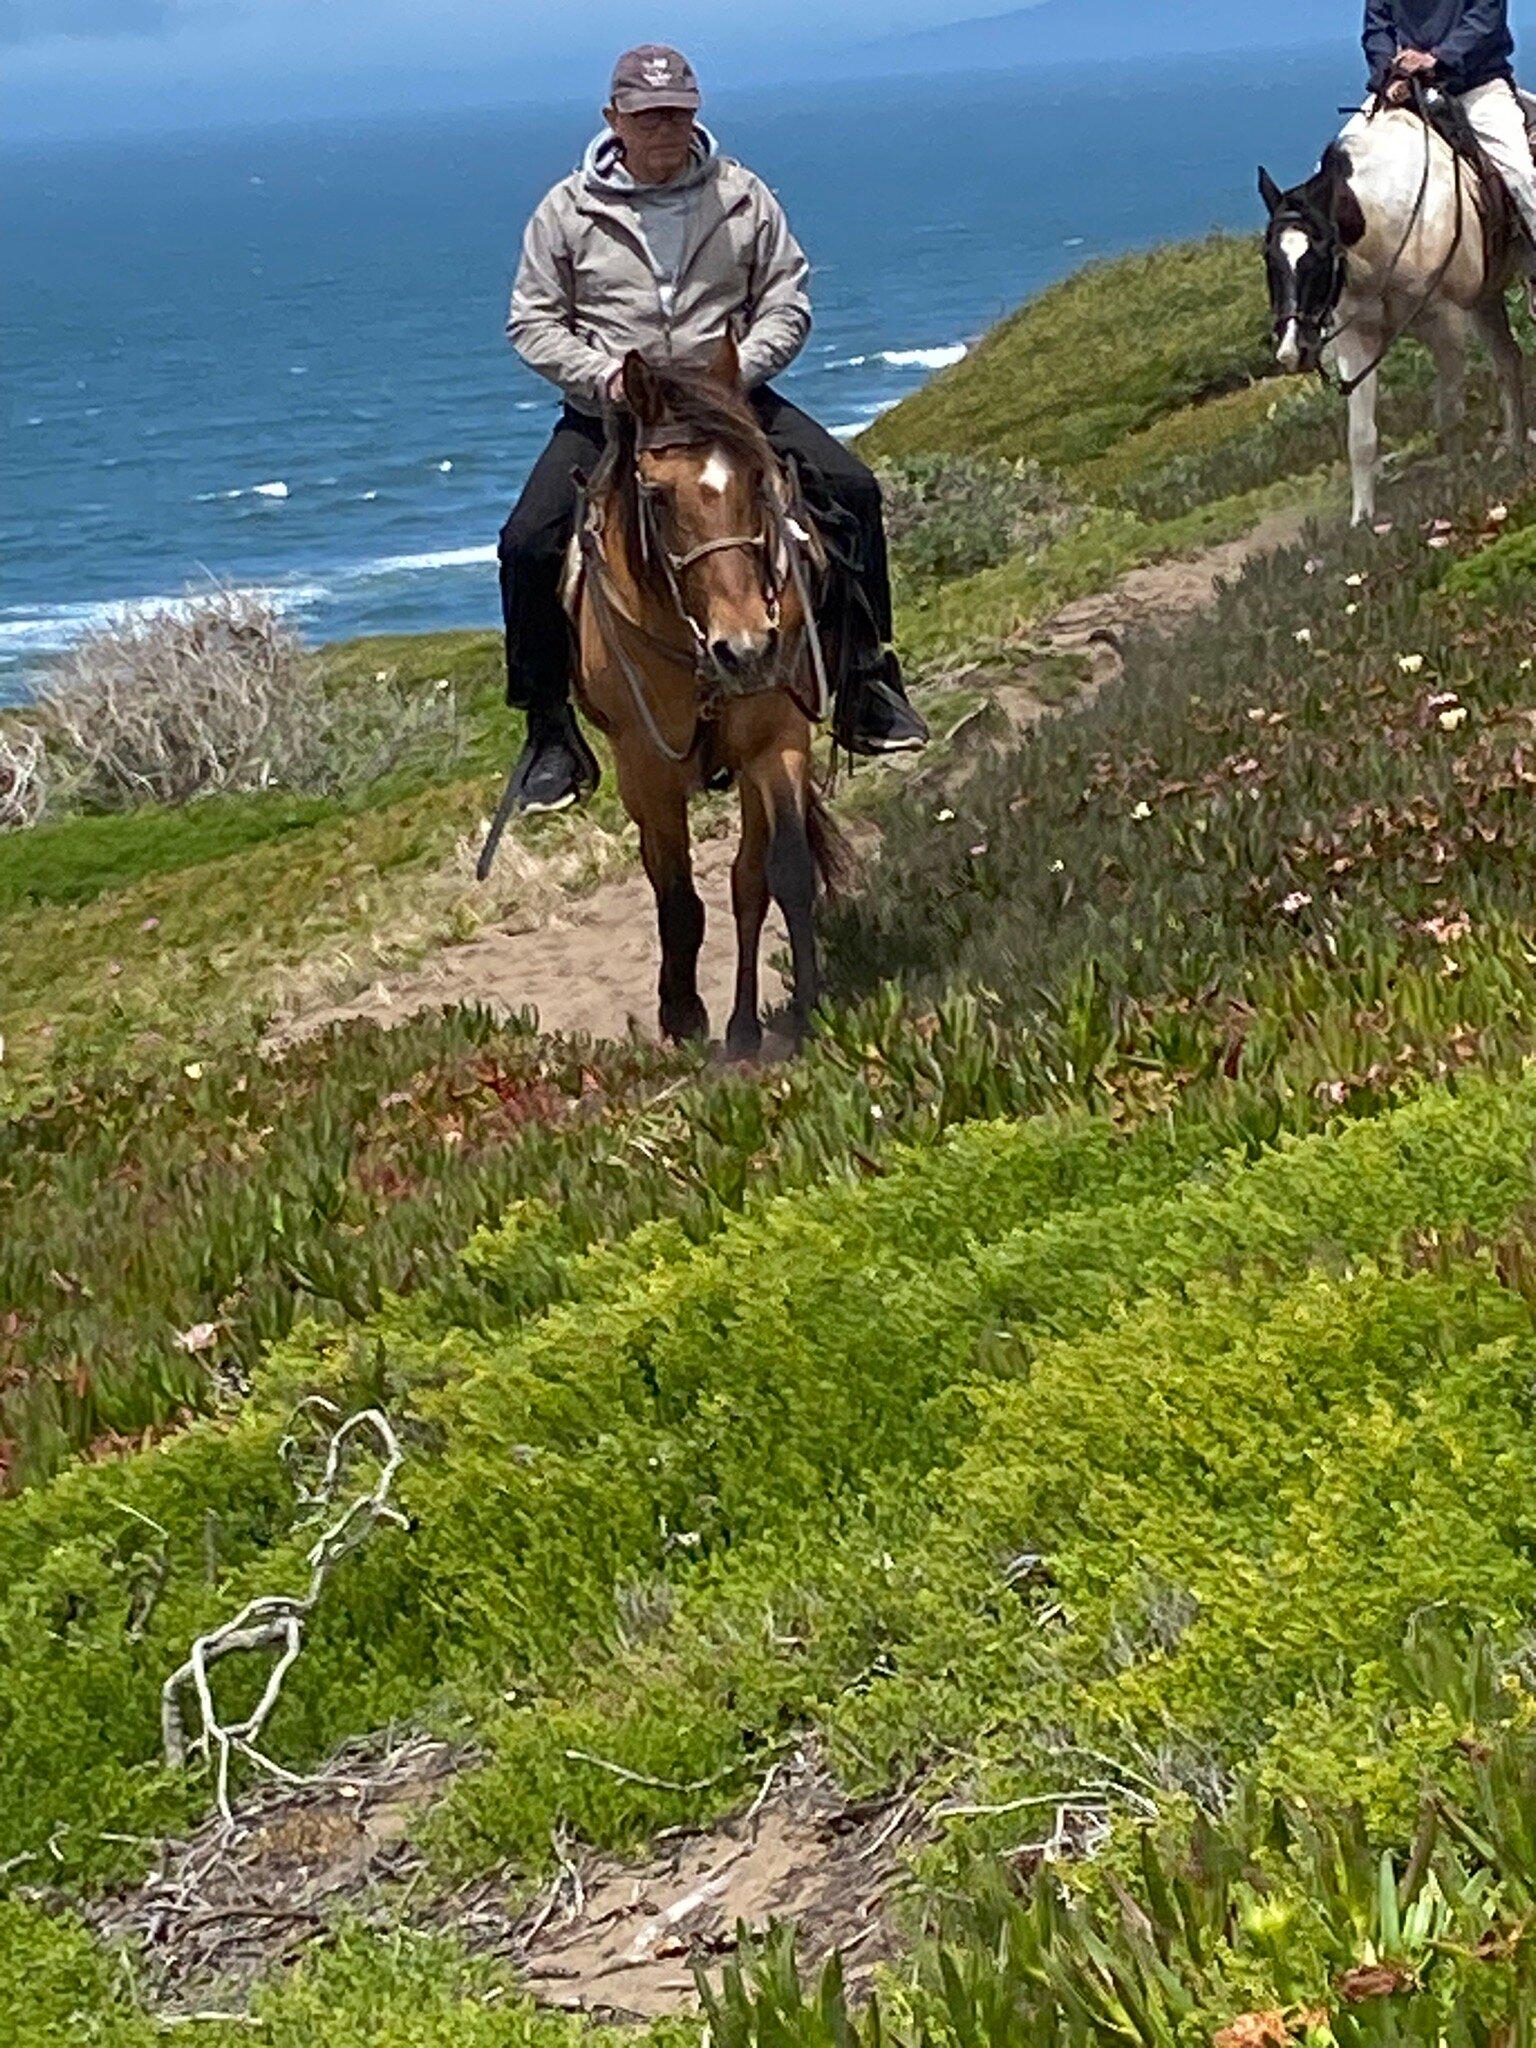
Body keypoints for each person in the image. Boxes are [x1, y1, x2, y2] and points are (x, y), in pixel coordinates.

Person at [497, 44, 929, 815]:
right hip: (615, 415)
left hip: (730, 404)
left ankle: (867, 681)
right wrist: (605, 379)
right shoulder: (565, 212)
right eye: (650, 115)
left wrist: (738, 374)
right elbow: (532, 320)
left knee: (852, 490)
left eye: (680, 113)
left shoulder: (742, 197)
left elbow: (786, 296)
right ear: (614, 120)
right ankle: (549, 730)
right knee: (528, 543)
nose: (667, 128)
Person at [1347, 0, 1536, 297]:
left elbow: (1485, 18)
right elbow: (1377, 28)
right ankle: (1327, 295)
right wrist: (1390, 75)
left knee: (1521, 177)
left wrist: (1437, 59)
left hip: (1475, 86)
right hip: (1408, 88)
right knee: (1336, 164)